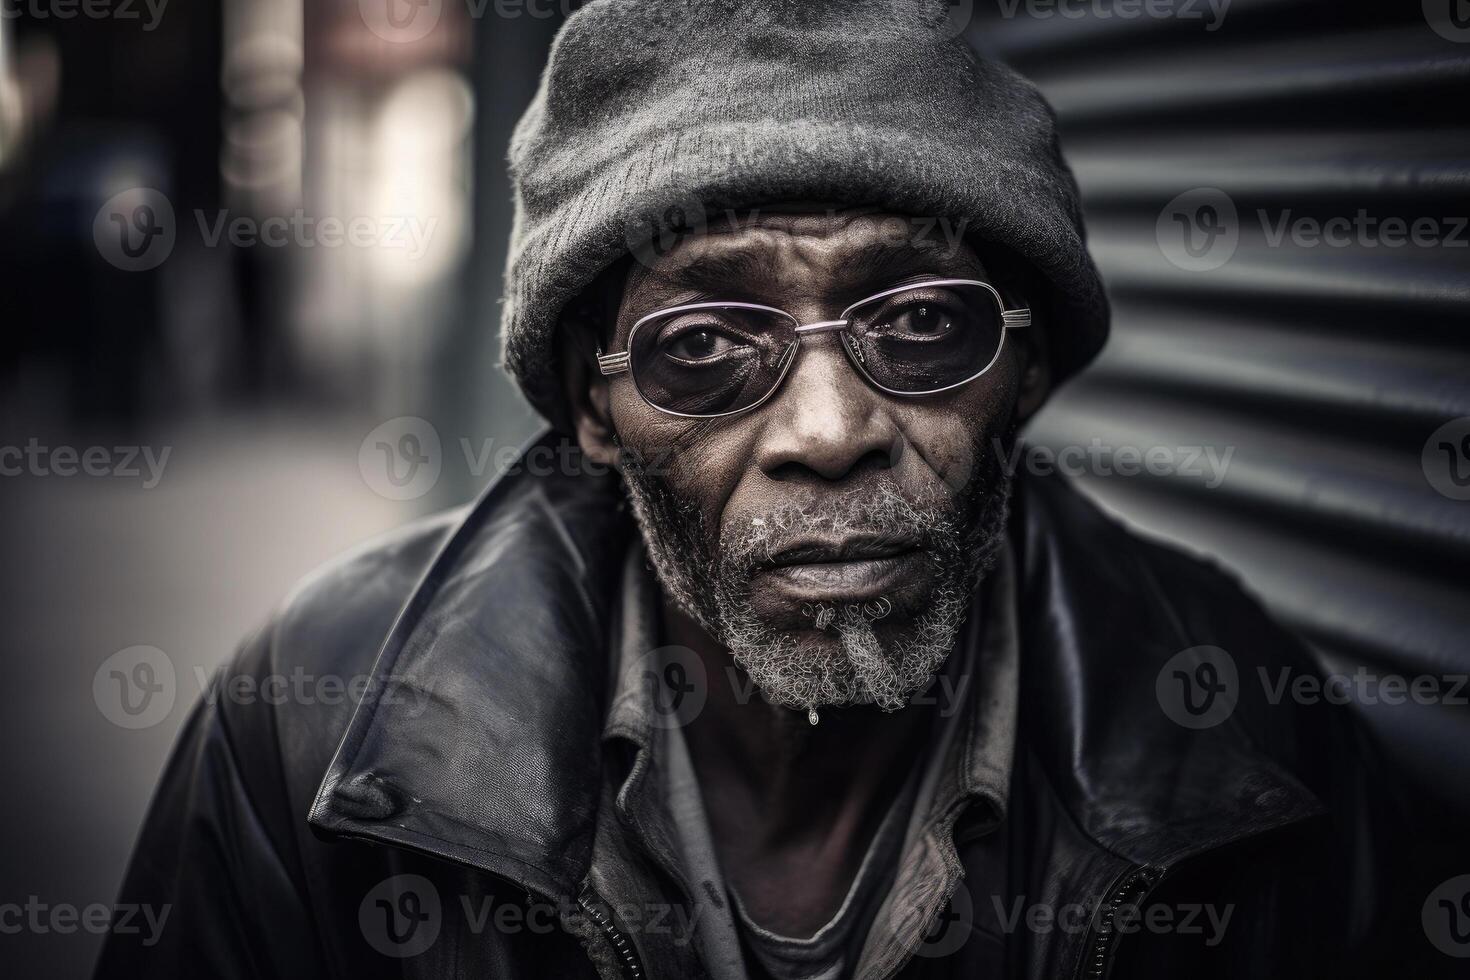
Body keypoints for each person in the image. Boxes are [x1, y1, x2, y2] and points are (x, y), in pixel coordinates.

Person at [96, 1, 1439, 977]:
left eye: (919, 327)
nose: (828, 428)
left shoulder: (1237, 732)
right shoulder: (314, 723)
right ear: (592, 408)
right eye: (704, 349)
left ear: (1021, 376)